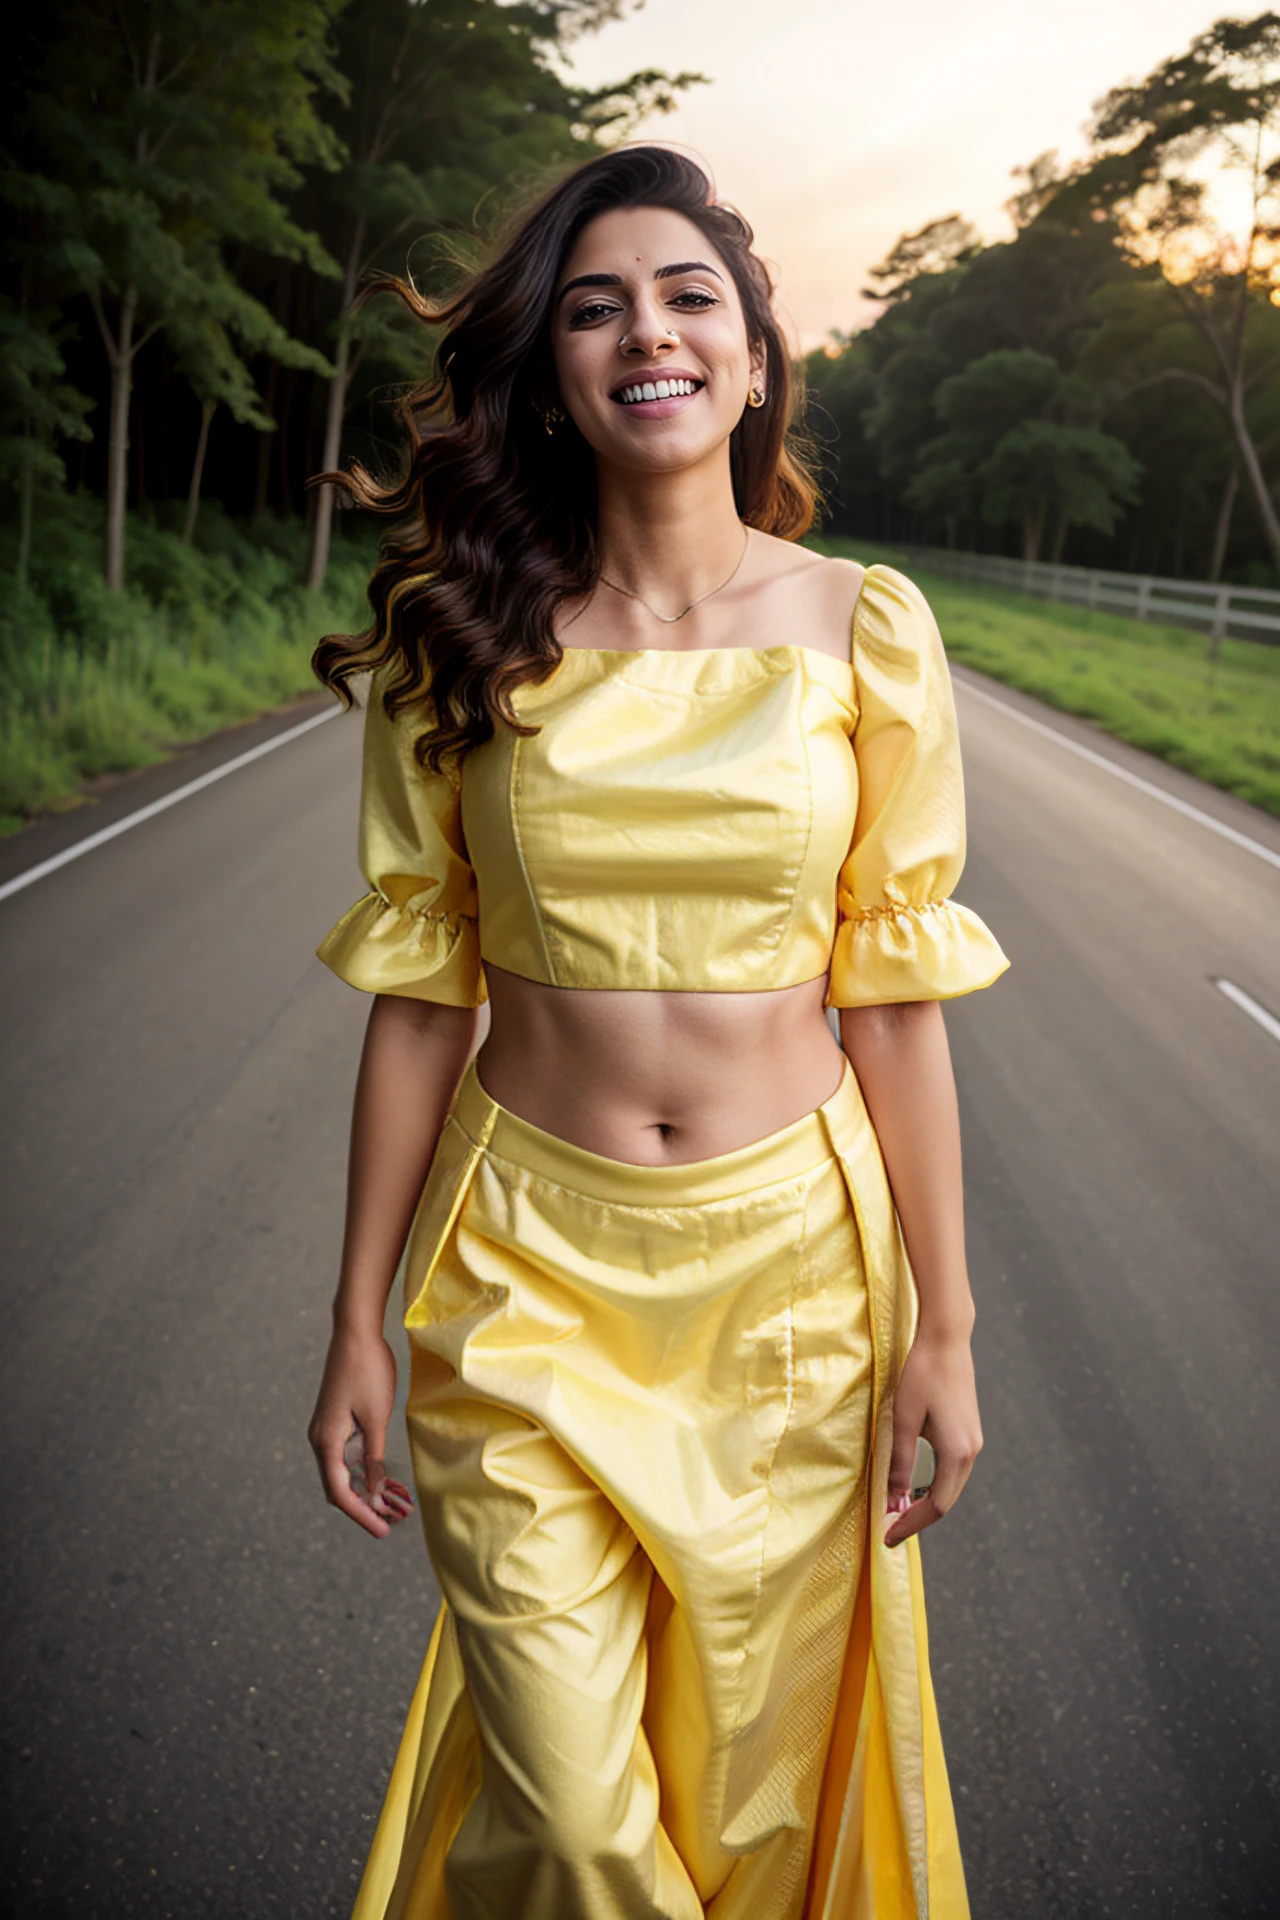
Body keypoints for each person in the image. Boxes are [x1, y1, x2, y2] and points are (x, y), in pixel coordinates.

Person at [308, 144, 1008, 1920]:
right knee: (571, 1818)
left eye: (691, 296)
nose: (650, 332)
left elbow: (897, 1003)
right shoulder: (457, 640)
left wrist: (948, 1325)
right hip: (523, 1275)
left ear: (756, 357)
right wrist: (355, 1326)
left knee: (748, 1821)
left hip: (794, 1285)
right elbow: (417, 997)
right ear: (552, 367)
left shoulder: (868, 633)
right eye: (600, 303)